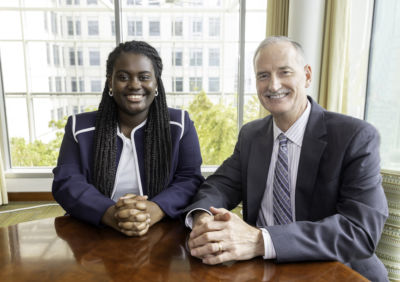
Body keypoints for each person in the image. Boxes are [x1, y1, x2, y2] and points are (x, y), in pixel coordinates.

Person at [184, 36, 388, 281]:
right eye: (263, 76)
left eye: (284, 72)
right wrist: (202, 217)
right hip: (262, 270)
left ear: (307, 76)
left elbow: (360, 231)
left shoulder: (355, 137)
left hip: (337, 270)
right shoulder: (251, 135)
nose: (273, 85)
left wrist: (261, 240)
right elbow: (219, 185)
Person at [53, 40, 204, 236]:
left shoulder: (180, 124)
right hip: (94, 228)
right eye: (123, 77)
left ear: (156, 82)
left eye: (144, 77)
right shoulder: (79, 127)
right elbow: (67, 182)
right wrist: (109, 212)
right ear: (110, 82)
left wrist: (155, 209)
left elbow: (190, 179)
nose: (134, 85)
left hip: (162, 229)